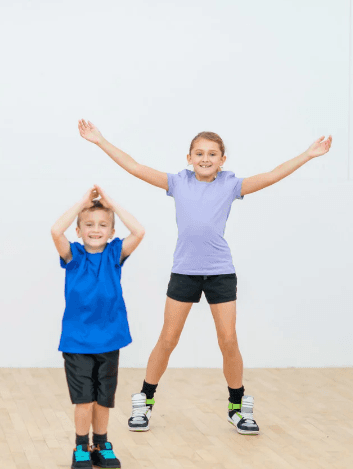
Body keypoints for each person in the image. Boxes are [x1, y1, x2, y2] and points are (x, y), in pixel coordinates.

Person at [79, 119, 332, 434]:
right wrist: (100, 140)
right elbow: (134, 166)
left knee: (228, 339)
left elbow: (270, 176)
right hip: (184, 272)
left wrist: (307, 154)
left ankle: (237, 406)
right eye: (199, 153)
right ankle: (145, 399)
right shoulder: (177, 182)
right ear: (189, 157)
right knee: (168, 339)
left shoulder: (230, 185)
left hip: (220, 273)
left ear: (222, 160)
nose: (205, 158)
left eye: (212, 154)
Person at [51, 185, 144, 469]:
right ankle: (81, 445)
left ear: (111, 231)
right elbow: (56, 231)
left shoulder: (115, 253)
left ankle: (101, 443)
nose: (95, 229)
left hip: (109, 340)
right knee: (84, 400)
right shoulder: (73, 256)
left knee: (103, 399)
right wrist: (81, 204)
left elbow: (139, 231)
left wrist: (112, 204)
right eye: (89, 225)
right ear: (78, 231)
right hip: (77, 343)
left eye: (103, 225)